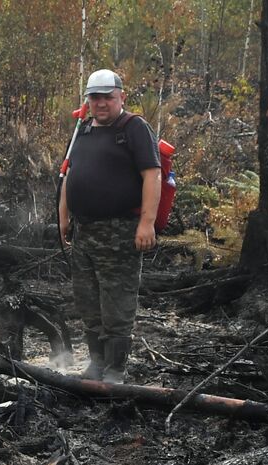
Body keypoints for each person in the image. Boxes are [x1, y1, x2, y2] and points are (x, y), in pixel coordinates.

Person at [58, 69, 162, 383]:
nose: (101, 103)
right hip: (84, 231)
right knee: (88, 301)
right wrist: (63, 217)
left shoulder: (134, 128)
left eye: (107, 97)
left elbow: (152, 175)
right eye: (95, 97)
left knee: (117, 302)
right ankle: (96, 363)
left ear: (121, 97)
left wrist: (147, 223)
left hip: (120, 231)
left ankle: (116, 369)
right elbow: (69, 175)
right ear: (87, 99)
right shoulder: (82, 130)